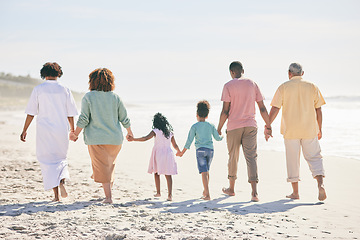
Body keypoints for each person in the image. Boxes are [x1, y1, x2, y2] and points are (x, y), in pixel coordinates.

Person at [69, 68, 133, 204]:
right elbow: (124, 117)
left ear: (92, 81)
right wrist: (129, 132)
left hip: (97, 139)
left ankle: (108, 198)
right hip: (115, 139)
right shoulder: (115, 97)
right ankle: (107, 193)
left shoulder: (89, 97)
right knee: (109, 166)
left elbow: (84, 118)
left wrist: (75, 134)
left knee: (103, 168)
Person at [268, 63, 326, 201]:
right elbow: (319, 110)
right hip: (309, 129)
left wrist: (268, 125)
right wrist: (320, 128)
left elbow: (275, 108)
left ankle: (295, 192)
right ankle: (321, 184)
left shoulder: (283, 87)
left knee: (292, 161)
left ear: (289, 73)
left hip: (291, 130)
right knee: (315, 157)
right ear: (302, 73)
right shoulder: (312, 86)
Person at [20, 62, 78, 202]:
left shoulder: (39, 89)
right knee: (61, 158)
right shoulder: (65, 89)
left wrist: (24, 130)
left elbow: (31, 113)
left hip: (44, 130)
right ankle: (62, 180)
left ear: (43, 74)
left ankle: (56, 196)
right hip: (61, 130)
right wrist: (73, 130)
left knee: (47, 161)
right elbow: (70, 113)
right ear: (59, 73)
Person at [217, 61, 271, 202]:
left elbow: (225, 111)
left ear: (231, 72)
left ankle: (231, 189)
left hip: (234, 126)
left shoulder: (228, 86)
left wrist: (218, 127)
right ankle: (254, 193)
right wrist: (268, 124)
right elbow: (262, 108)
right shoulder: (252, 84)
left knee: (233, 157)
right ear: (243, 70)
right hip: (250, 125)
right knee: (251, 157)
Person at [128, 113, 181, 201]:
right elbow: (175, 144)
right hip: (168, 153)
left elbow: (145, 138)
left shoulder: (155, 131)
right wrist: (179, 151)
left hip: (158, 153)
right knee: (168, 174)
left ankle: (158, 192)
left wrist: (134, 139)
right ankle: (170, 195)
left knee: (156, 172)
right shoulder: (170, 133)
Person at [177, 100, 223, 200]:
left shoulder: (194, 126)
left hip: (200, 151)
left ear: (197, 114)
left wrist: (182, 152)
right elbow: (217, 138)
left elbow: (189, 141)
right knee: (206, 171)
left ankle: (207, 194)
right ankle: (205, 191)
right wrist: (222, 136)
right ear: (207, 115)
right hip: (210, 151)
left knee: (204, 172)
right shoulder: (211, 125)